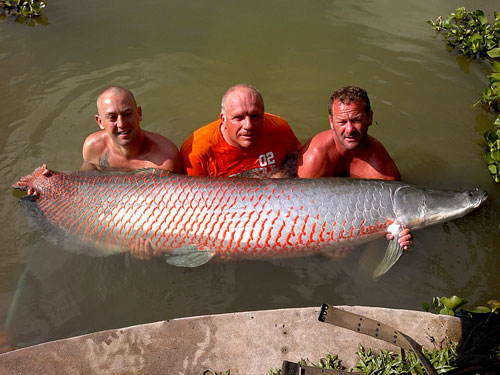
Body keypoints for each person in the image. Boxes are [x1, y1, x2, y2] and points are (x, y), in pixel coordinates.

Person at [297, 86, 411, 248]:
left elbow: (387, 222)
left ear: (370, 118)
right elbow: (300, 211)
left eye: (356, 120)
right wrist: (328, 243)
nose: (349, 129)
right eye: (342, 122)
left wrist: (399, 232)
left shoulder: (383, 171)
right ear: (331, 122)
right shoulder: (313, 157)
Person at [180, 84, 301, 177]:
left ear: (263, 115)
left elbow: (296, 157)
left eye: (254, 116)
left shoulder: (280, 129)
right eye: (239, 118)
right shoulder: (197, 152)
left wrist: (282, 175)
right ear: (223, 119)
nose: (248, 125)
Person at [81, 86, 182, 173]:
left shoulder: (165, 158)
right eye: (112, 117)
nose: (121, 124)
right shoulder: (94, 147)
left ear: (139, 114)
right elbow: (83, 183)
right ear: (100, 122)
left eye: (127, 114)